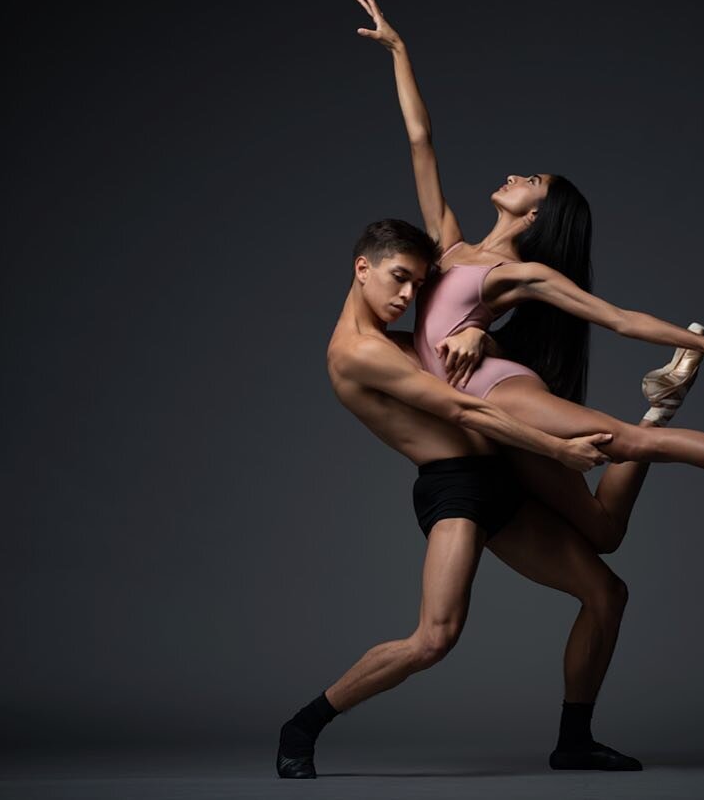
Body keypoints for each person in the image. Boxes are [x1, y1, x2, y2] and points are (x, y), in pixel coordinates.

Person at [352, 0, 704, 554]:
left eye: (530, 182)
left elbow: (618, 319)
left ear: (535, 215)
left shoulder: (517, 274)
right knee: (604, 533)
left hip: (494, 395)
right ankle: (662, 407)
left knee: (625, 443)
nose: (514, 176)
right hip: (478, 407)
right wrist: (399, 50)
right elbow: (421, 141)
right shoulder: (447, 245)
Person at [276, 219, 646, 779]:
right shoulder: (356, 353)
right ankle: (303, 725)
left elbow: (459, 360)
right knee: (435, 638)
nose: (407, 296)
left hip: (500, 471)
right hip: (456, 488)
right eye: (399, 279)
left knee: (606, 593)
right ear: (361, 269)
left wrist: (480, 336)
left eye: (416, 286)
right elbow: (464, 410)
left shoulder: (399, 340)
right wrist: (555, 447)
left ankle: (575, 741)